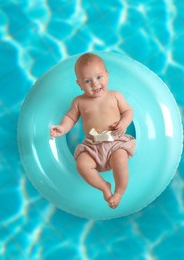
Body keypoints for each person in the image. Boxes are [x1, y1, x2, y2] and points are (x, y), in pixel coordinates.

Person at [50, 53, 136, 208]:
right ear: (79, 84)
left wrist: (124, 122)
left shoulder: (115, 96)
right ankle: (104, 187)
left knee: (120, 160)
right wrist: (62, 128)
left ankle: (118, 193)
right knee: (82, 165)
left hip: (115, 141)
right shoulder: (79, 101)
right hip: (92, 145)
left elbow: (128, 111)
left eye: (99, 77)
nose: (95, 84)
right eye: (87, 81)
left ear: (107, 75)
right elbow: (70, 118)